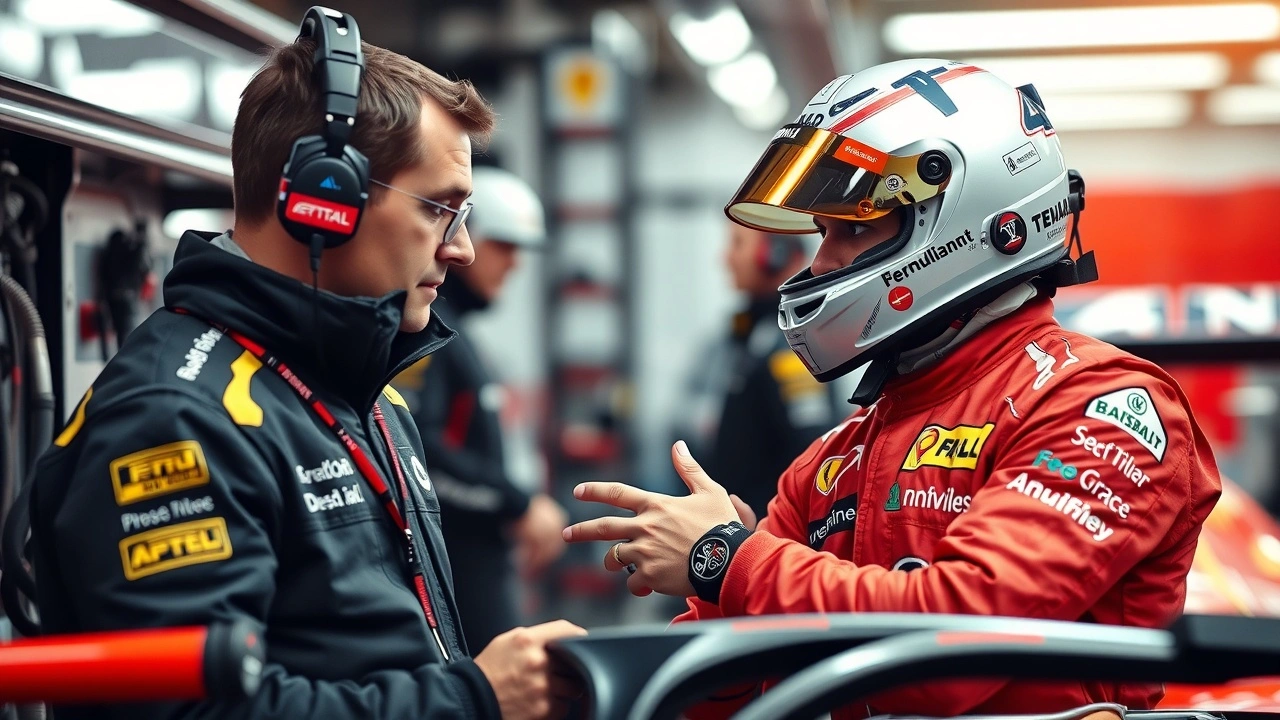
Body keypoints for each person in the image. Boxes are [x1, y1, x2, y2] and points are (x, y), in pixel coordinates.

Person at [562, 58, 1222, 718]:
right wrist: (707, 601)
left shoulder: (1100, 408)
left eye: (852, 228)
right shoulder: (829, 464)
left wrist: (728, 561)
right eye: (822, 233)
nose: (819, 264)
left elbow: (955, 650)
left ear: (972, 217)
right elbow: (709, 703)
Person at [25, 10, 584, 720]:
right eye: (440, 210)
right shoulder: (175, 418)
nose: (463, 249)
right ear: (325, 202)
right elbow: (194, 715)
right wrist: (472, 698)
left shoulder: (370, 399)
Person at [392, 165, 568, 652]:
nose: (514, 264)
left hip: (477, 556)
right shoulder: (425, 334)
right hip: (455, 561)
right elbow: (416, 451)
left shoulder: (452, 331)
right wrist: (516, 503)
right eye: (504, 247)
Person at [676, 225, 837, 519]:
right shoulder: (750, 336)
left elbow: (813, 453)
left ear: (775, 254)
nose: (725, 258)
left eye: (737, 244)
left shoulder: (789, 346)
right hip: (738, 532)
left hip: (765, 537)